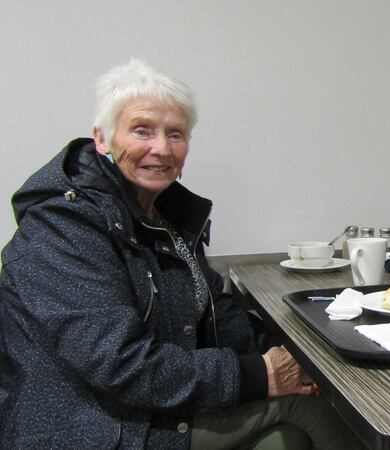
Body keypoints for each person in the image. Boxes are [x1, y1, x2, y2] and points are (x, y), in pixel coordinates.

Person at [0, 59, 358, 449]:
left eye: (175, 134)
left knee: (284, 439)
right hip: (90, 426)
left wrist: (287, 352)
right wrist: (261, 374)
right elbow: (122, 364)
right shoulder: (65, 225)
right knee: (315, 408)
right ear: (101, 139)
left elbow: (218, 311)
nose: (161, 148)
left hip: (144, 406)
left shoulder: (163, 219)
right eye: (142, 130)